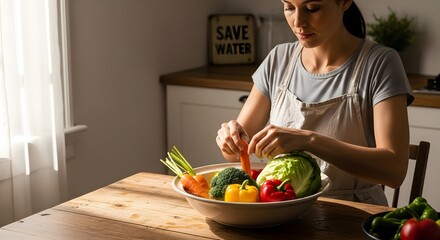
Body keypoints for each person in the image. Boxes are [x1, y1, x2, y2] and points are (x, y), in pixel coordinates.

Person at [215, 0, 414, 206]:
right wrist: (230, 139)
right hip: (284, 213)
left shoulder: (381, 63)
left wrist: (309, 140)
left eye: (312, 8)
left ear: (345, 2)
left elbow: (394, 170)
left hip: (354, 214)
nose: (298, 22)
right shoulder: (278, 59)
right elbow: (234, 154)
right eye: (289, 7)